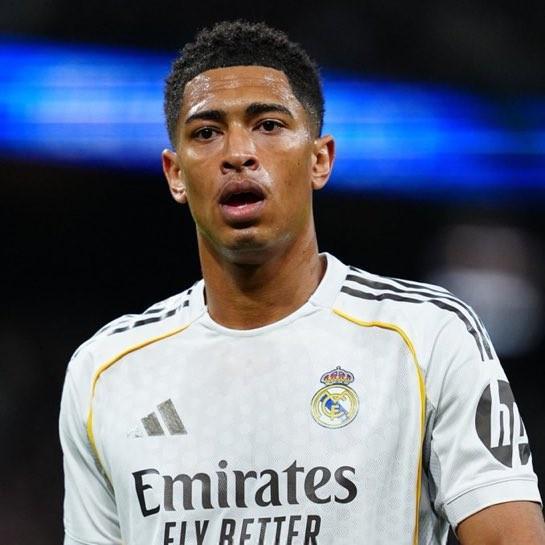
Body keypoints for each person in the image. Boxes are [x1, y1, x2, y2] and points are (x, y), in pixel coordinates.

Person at [59, 20, 545, 545]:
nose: (238, 152)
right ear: (175, 174)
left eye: (268, 125)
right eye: (206, 132)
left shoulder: (427, 337)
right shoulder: (105, 372)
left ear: (320, 160)